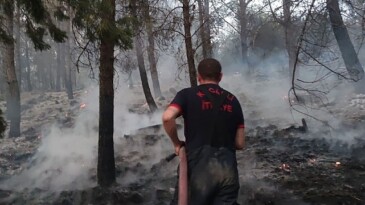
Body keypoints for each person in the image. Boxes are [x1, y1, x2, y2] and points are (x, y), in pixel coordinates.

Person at [162, 58, 245, 205]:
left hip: (198, 169)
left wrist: (176, 143)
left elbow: (168, 117)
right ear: (220, 76)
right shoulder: (233, 100)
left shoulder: (186, 95)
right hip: (228, 169)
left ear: (198, 77)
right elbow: (239, 143)